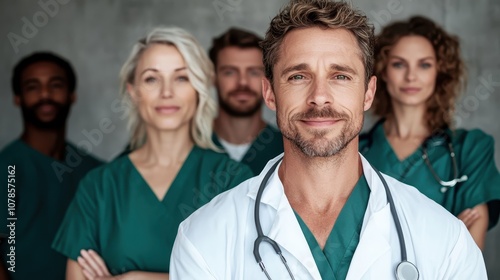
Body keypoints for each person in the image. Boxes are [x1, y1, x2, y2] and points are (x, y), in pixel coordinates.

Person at [169, 1, 486, 279]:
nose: (319, 97)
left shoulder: (446, 241)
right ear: (269, 93)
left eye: (341, 76)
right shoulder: (203, 238)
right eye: (298, 76)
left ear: (369, 93)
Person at [51, 27, 253, 279]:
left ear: (199, 90)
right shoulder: (100, 187)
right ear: (133, 91)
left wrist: (132, 278)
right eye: (151, 79)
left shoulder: (234, 181)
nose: (166, 92)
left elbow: (247, 273)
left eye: (181, 78)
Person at [359, 16, 500, 250]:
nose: (411, 76)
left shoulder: (471, 148)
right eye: (398, 64)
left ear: (439, 72)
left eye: (424, 65)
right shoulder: (354, 150)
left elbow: (467, 258)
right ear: (382, 71)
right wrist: (444, 239)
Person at [0, 52, 103, 280]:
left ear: (72, 95)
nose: (45, 95)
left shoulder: (95, 172)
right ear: (18, 98)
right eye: (33, 87)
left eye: (55, 85)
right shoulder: (7, 169)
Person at [209, 28, 283, 174]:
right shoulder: (189, 146)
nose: (242, 82)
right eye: (229, 72)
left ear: (268, 80)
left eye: (254, 72)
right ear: (213, 77)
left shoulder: (287, 149)